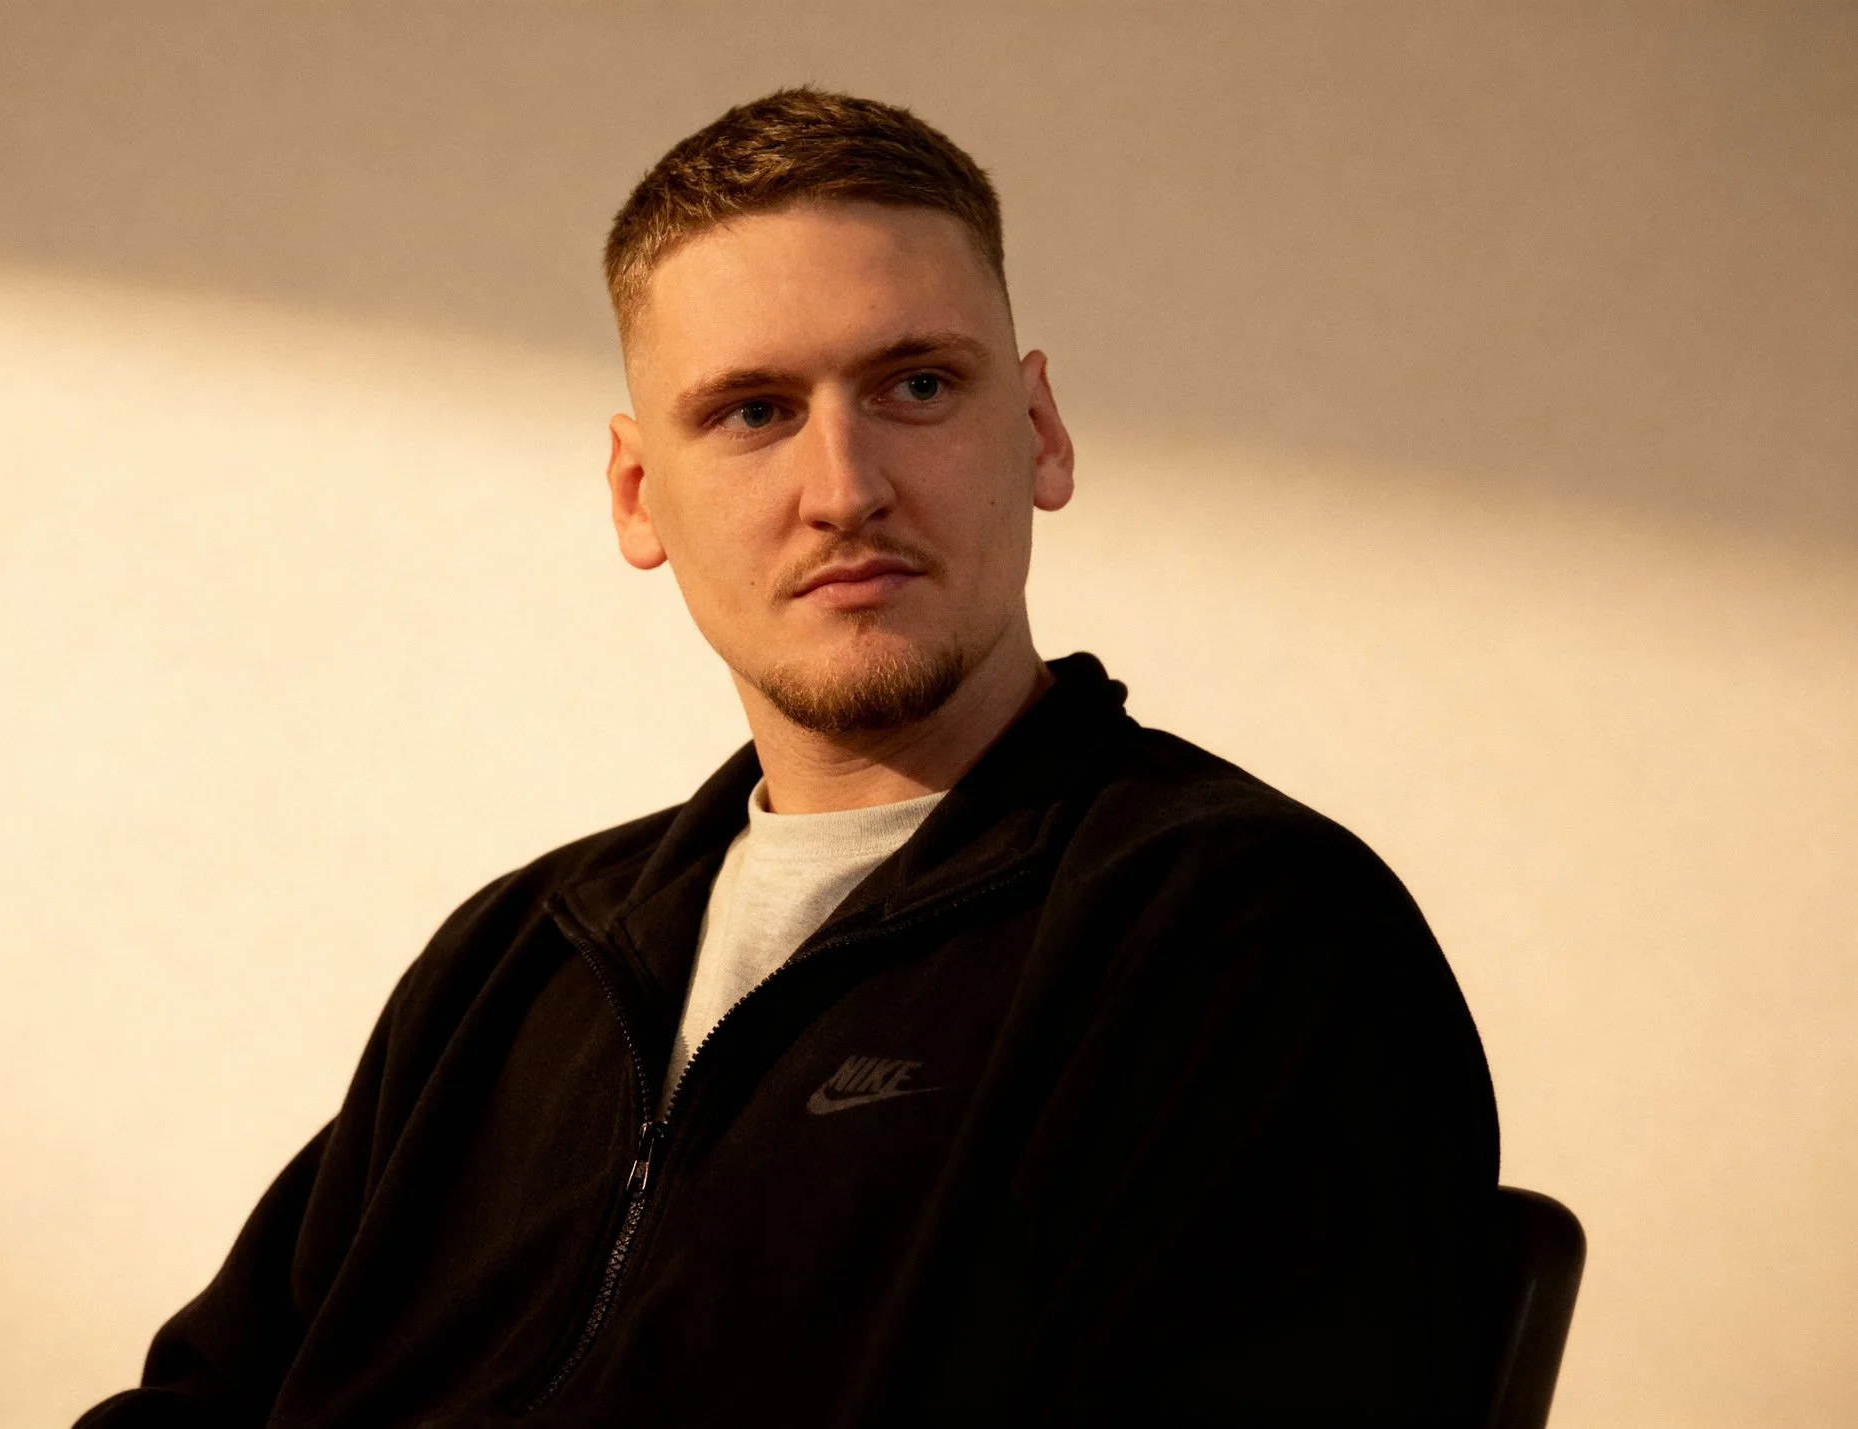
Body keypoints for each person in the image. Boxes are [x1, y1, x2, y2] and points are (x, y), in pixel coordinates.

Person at [74, 88, 1497, 1428]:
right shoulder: (518, 961)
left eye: (919, 386)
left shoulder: (1237, 935)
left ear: (1040, 430)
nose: (845, 489)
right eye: (753, 413)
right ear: (641, 495)